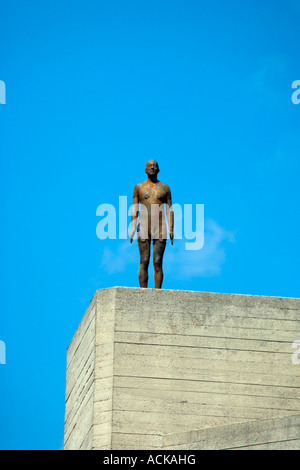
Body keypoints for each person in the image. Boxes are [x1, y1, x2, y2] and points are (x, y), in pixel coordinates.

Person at [130, 160, 174, 288]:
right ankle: (143, 292)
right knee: (144, 261)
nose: (153, 168)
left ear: (158, 170)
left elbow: (170, 209)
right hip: (143, 227)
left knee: (158, 262)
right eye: (150, 166)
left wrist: (171, 228)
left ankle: (157, 292)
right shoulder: (139, 187)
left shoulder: (165, 188)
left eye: (155, 166)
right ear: (145, 170)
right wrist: (133, 226)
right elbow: (135, 207)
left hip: (160, 228)